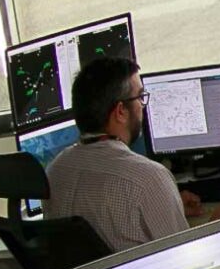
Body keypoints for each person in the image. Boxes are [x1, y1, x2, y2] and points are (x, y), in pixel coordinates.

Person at [45, 56, 189, 252]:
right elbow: (185, 258)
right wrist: (217, 224)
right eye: (140, 97)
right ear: (120, 111)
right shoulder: (149, 178)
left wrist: (166, 208)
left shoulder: (55, 170)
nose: (142, 106)